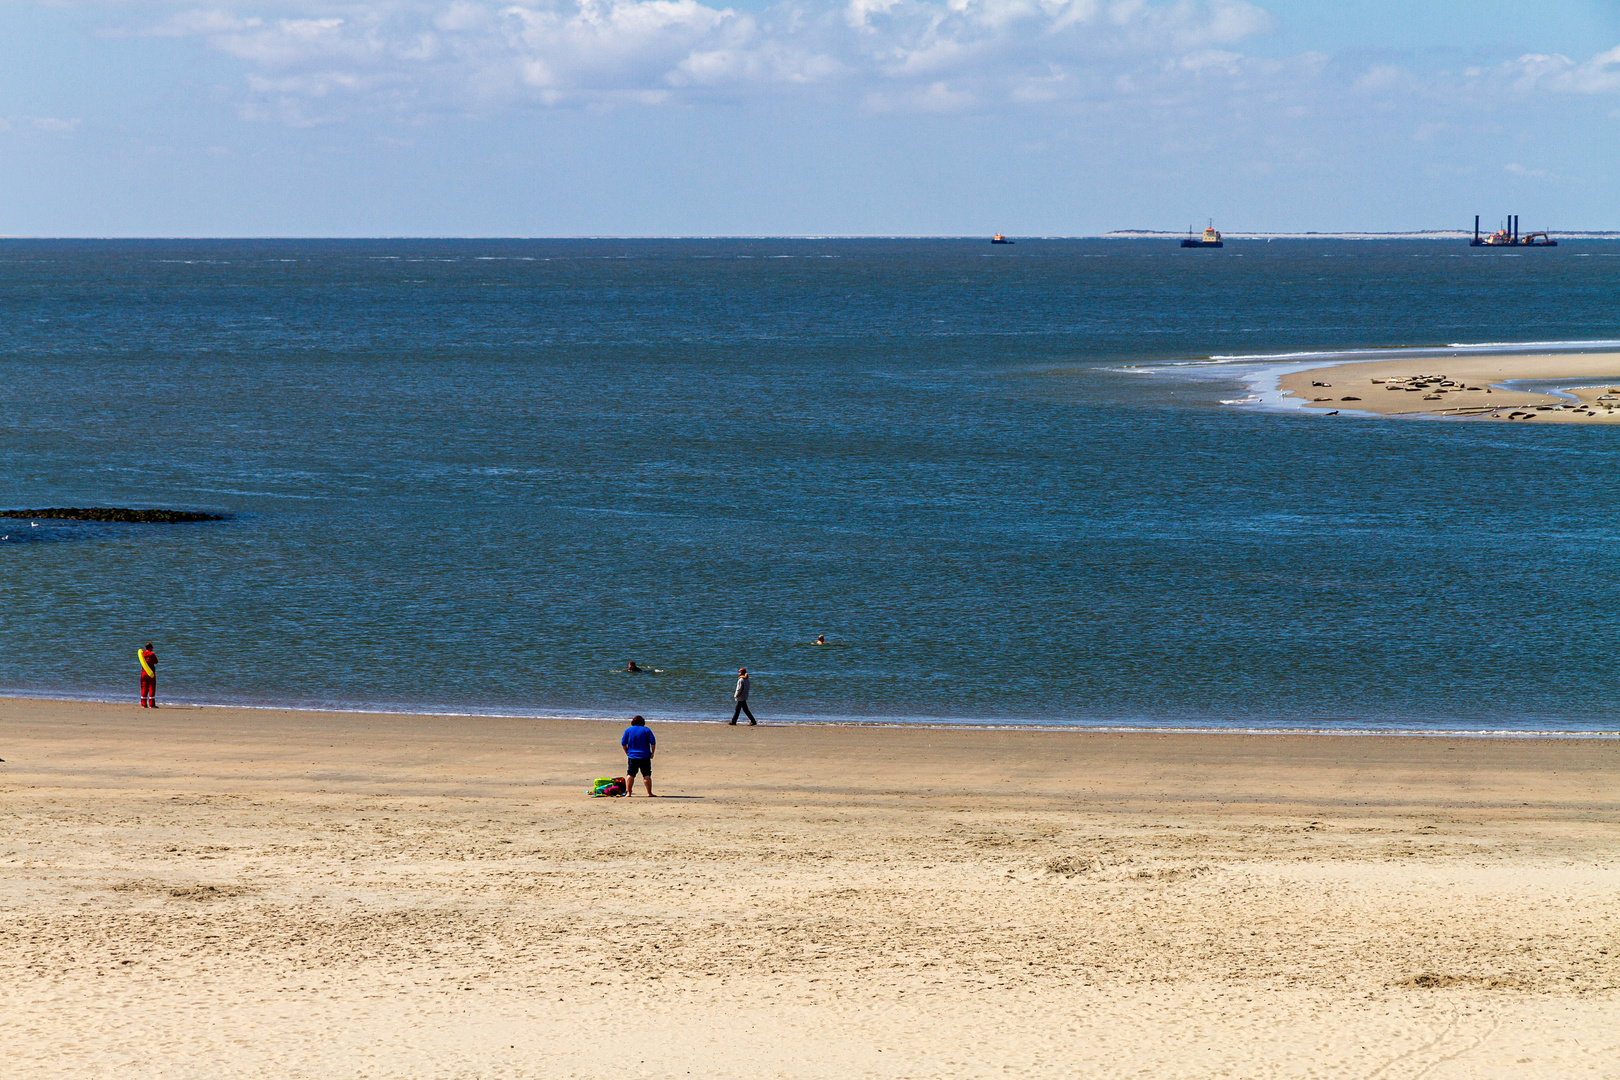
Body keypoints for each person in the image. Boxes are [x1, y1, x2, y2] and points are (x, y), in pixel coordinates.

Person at [620, 714, 656, 796]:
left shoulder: (628, 730)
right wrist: (652, 752)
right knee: (646, 774)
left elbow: (623, 743)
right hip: (645, 755)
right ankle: (649, 793)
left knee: (630, 774)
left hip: (632, 756)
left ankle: (628, 792)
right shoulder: (646, 730)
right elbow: (653, 742)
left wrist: (627, 752)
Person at [138, 642, 158, 708]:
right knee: (151, 688)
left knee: (144, 687)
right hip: (150, 673)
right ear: (150, 648)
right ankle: (151, 704)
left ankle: (143, 704)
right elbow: (156, 661)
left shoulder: (142, 654)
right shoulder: (152, 654)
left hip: (143, 673)